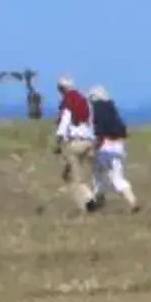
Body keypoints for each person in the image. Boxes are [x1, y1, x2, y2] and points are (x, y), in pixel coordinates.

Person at [85, 86, 137, 214]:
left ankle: (131, 202)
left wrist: (93, 146)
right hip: (118, 146)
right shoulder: (112, 109)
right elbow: (123, 130)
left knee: (105, 177)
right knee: (111, 175)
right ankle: (99, 201)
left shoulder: (95, 110)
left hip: (104, 147)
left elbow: (98, 130)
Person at [52, 75, 95, 210]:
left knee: (73, 179)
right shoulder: (84, 100)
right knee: (69, 174)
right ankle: (90, 199)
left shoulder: (68, 101)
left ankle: (89, 201)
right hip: (88, 141)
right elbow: (91, 120)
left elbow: (65, 121)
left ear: (62, 88)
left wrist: (58, 141)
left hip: (75, 143)